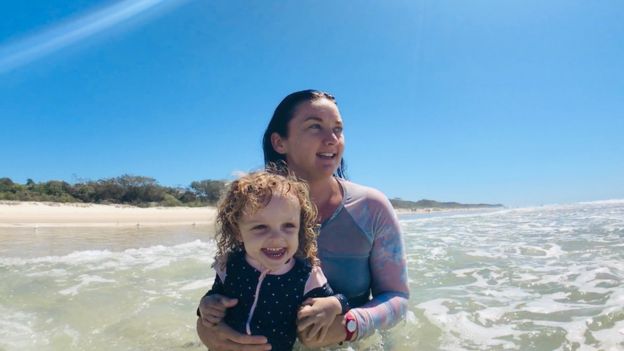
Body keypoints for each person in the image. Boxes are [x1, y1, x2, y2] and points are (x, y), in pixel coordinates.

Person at [196, 90, 409, 350]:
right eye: (315, 127)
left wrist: (351, 325)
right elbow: (228, 288)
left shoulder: (371, 207)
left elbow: (398, 299)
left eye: (338, 129)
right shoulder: (252, 207)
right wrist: (208, 331)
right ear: (279, 142)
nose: (332, 139)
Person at [198, 171, 350, 351]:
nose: (277, 238)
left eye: (288, 226)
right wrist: (205, 305)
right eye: (260, 227)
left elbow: (339, 303)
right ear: (238, 231)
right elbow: (214, 296)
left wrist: (333, 305)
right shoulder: (230, 265)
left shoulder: (306, 275)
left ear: (300, 228)